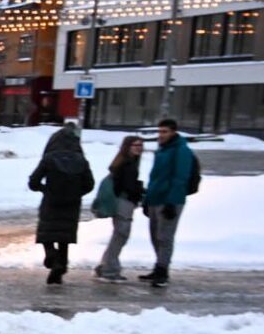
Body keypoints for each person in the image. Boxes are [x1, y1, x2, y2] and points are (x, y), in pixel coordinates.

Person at [27, 122, 94, 286]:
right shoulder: (81, 160)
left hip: (51, 202)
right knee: (64, 236)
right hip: (72, 205)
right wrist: (76, 193)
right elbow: (89, 184)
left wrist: (45, 189)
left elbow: (33, 182)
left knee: (47, 232)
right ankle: (61, 267)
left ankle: (51, 256)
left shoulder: (49, 159)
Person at [141, 118, 199, 289]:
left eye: (165, 131)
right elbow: (155, 178)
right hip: (155, 199)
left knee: (165, 237)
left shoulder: (181, 150)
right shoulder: (162, 150)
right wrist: (147, 200)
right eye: (159, 131)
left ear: (173, 132)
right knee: (155, 236)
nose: (161, 135)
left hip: (169, 200)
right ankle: (158, 266)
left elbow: (180, 178)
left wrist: (172, 202)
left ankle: (162, 271)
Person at [94, 135, 146, 283]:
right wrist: (140, 190)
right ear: (127, 147)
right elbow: (127, 186)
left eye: (140, 145)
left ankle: (105, 266)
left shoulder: (124, 161)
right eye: (135, 145)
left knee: (118, 235)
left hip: (120, 202)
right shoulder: (128, 164)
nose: (138, 148)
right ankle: (109, 270)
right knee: (121, 235)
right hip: (124, 203)